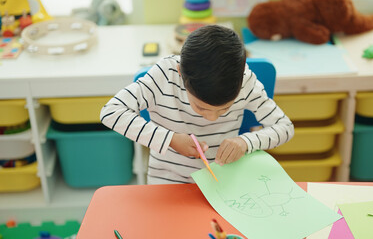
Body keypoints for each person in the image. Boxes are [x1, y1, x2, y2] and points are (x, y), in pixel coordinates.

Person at [100, 25, 294, 184]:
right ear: (180, 73)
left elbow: (285, 128)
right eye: (201, 108)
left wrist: (246, 142)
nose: (212, 118)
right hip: (168, 181)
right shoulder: (164, 75)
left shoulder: (245, 81)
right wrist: (171, 139)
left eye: (224, 109)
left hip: (221, 181)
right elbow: (111, 112)